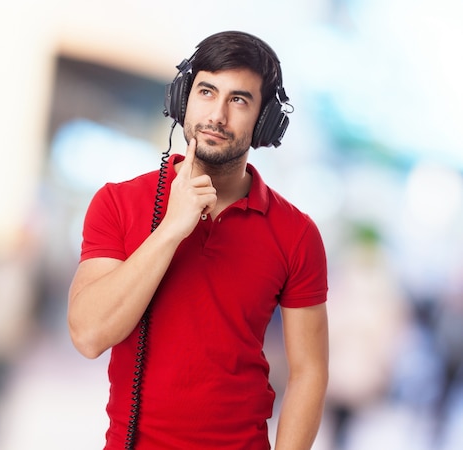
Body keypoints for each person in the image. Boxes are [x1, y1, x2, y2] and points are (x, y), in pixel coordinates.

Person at [68, 30, 329, 450]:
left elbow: (309, 372)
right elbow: (89, 335)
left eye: (239, 100)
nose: (218, 115)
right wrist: (172, 228)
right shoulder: (117, 202)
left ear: (266, 121)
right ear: (182, 99)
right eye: (207, 91)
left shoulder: (297, 234)